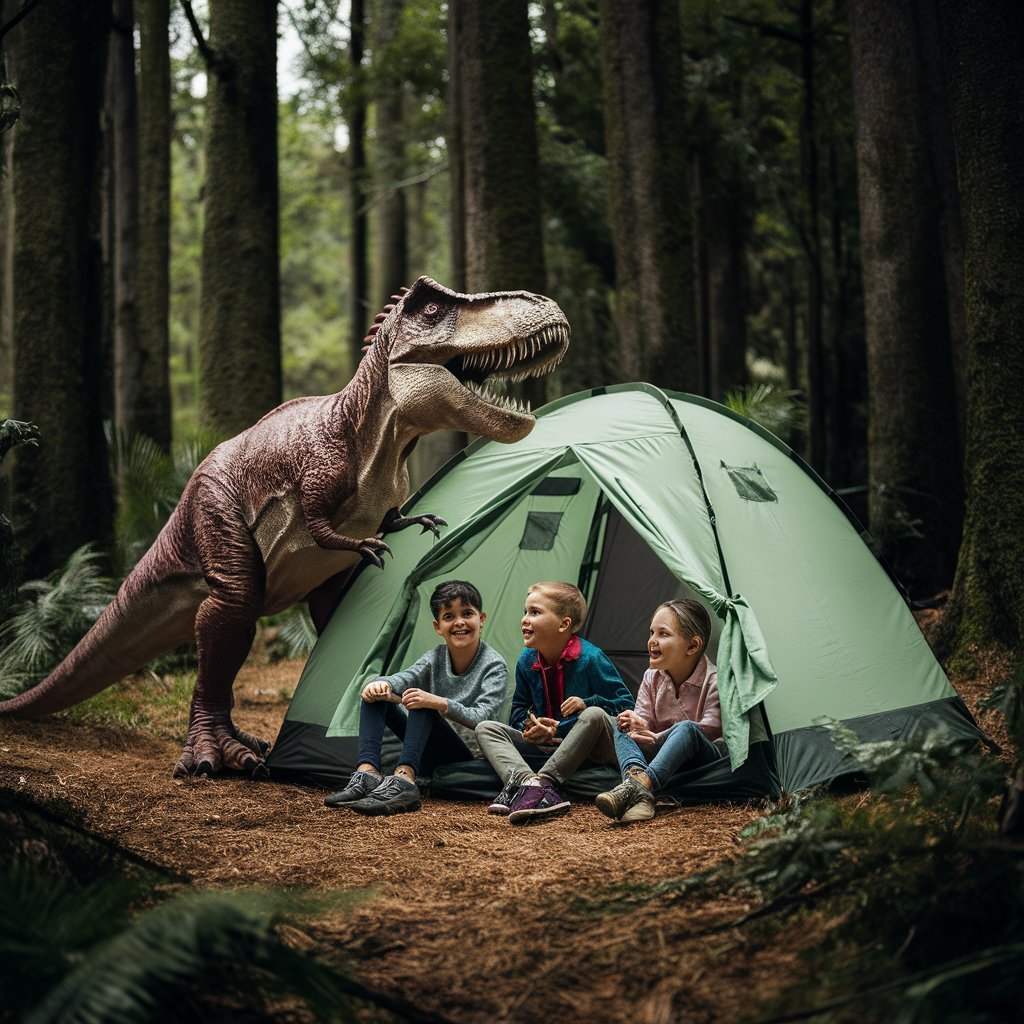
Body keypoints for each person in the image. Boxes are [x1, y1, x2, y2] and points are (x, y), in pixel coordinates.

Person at [325, 579, 507, 816]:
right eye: (449, 616)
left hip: (467, 758)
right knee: (375, 694)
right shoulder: (435, 657)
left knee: (421, 701)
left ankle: (405, 780)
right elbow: (405, 677)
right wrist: (382, 684)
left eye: (467, 613)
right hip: (428, 750)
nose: (459, 622)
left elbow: (484, 718)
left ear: (481, 620)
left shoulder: (494, 665)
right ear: (438, 626)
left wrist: (438, 702)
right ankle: (367, 773)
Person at [475, 581, 633, 825]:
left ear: (564, 624)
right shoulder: (527, 660)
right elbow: (518, 710)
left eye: (535, 612)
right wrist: (530, 727)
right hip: (548, 748)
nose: (525, 619)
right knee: (486, 728)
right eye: (525, 611)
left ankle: (543, 782)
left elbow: (625, 703)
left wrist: (585, 702)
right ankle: (527, 782)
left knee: (593, 714)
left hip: (587, 750)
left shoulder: (591, 658)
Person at [596, 598, 724, 824]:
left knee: (686, 729)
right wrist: (636, 724)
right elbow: (644, 721)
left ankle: (638, 785)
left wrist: (657, 738)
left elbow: (710, 731)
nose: (652, 641)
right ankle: (641, 794)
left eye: (663, 634)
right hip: (660, 756)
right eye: (651, 632)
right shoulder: (651, 676)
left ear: (692, 646)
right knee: (619, 722)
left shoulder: (714, 680)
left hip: (702, 759)